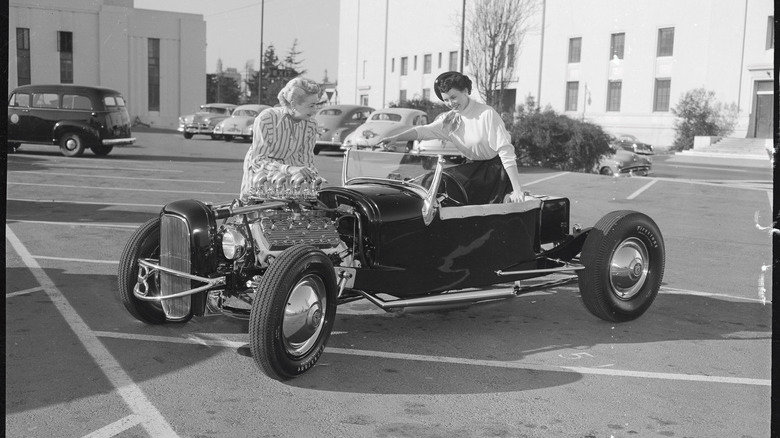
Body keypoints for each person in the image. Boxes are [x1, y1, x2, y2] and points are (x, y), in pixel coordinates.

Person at [380, 71, 525, 204]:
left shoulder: (487, 114)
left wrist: (517, 189)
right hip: (473, 169)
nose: (451, 103)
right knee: (431, 181)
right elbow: (423, 131)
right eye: (446, 100)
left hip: (495, 174)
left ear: (466, 91)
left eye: (454, 97)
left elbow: (506, 152)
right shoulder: (449, 120)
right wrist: (396, 137)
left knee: (443, 183)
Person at [239, 77, 324, 200]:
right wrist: (287, 169)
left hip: (287, 176)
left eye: (316, 104)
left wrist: (313, 176)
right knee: (253, 210)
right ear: (294, 104)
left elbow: (306, 160)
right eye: (311, 105)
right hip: (260, 175)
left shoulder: (311, 125)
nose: (315, 110)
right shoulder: (266, 119)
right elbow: (258, 161)